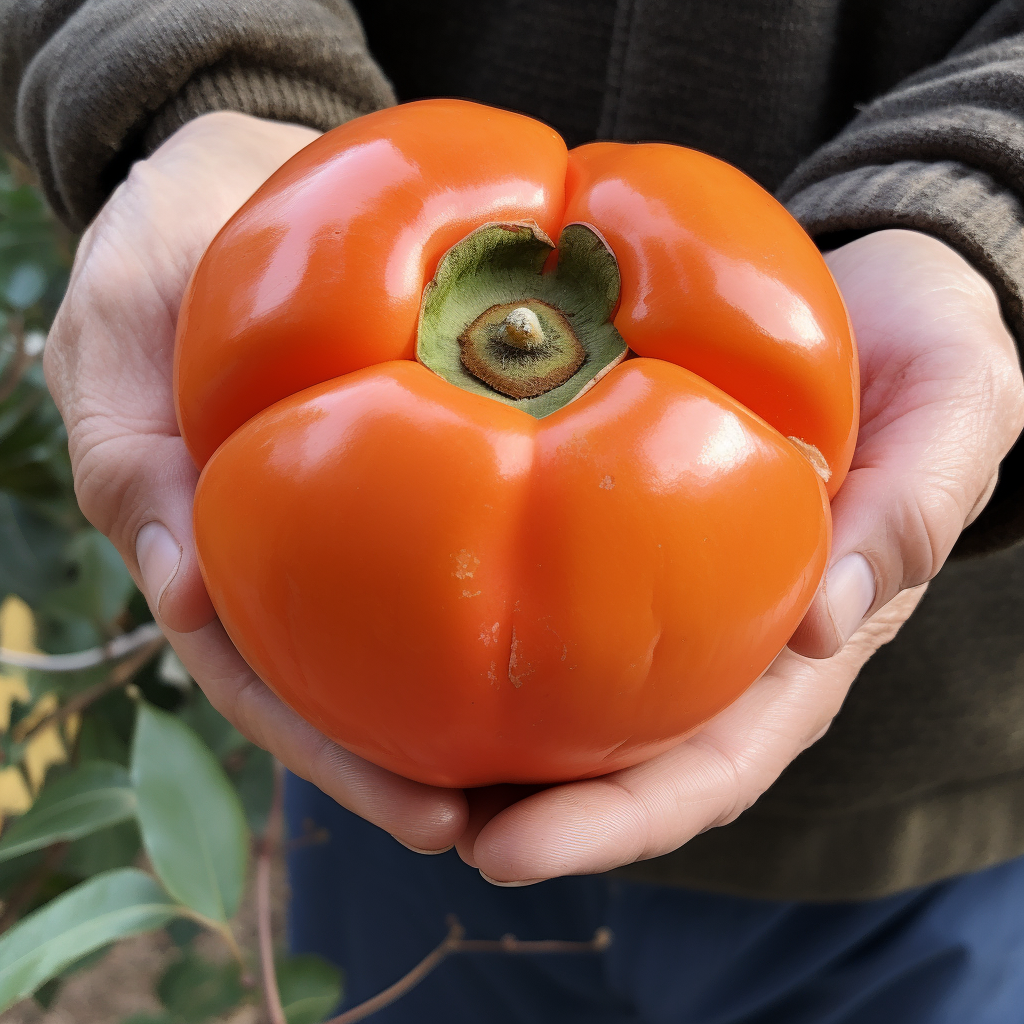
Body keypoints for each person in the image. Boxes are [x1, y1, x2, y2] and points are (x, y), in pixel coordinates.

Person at [3, 1, 1024, 1020]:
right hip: (378, 762)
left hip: (930, 827)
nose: (526, 326)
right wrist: (186, 74)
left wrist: (988, 193)